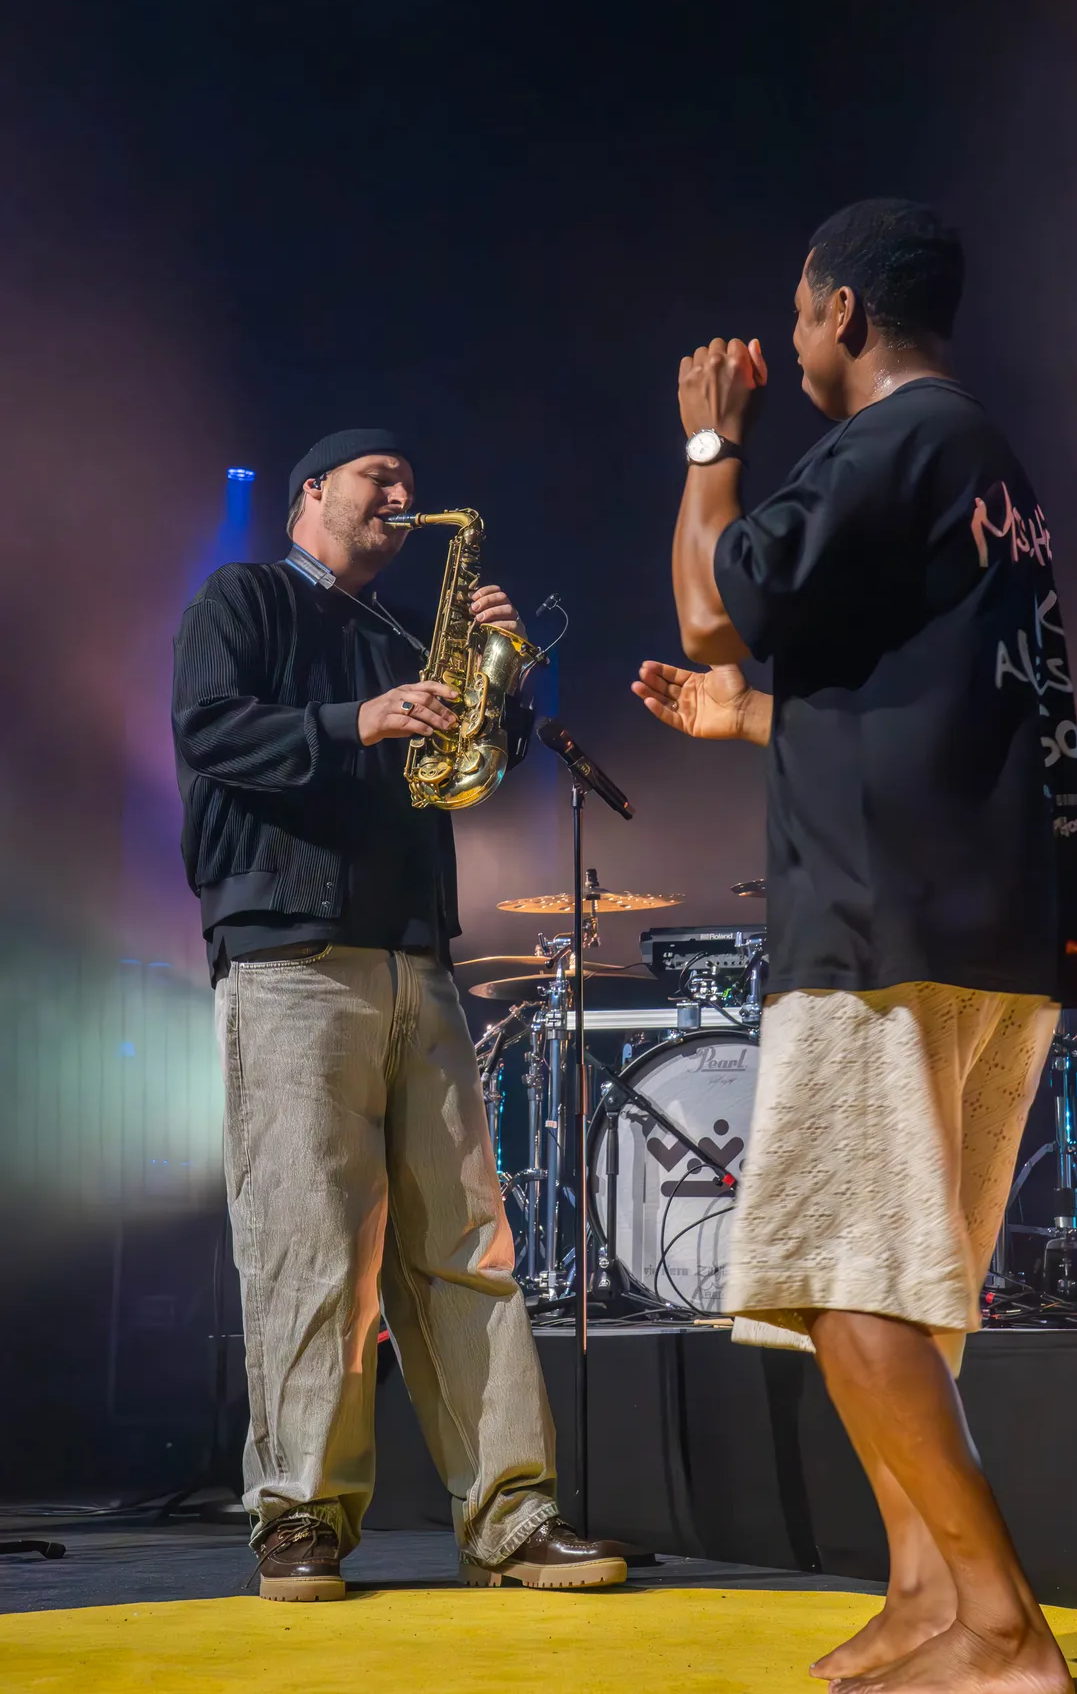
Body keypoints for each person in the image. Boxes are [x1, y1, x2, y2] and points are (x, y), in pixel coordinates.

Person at [634, 201, 1077, 1694]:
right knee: (895, 1286)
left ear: (840, 311)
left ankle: (1004, 1628)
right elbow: (929, 710)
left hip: (878, 936)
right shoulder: (985, 459)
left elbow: (711, 610)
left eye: (797, 310)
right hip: (990, 927)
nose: (788, 336)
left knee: (842, 1281)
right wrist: (755, 724)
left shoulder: (889, 442)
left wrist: (710, 443)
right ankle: (927, 1597)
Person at [173, 428, 625, 1599]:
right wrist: (356, 721)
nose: (401, 495)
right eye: (379, 478)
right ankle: (300, 1518)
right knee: (312, 1245)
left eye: (409, 484)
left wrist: (500, 683)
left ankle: (513, 1518)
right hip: (289, 954)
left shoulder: (403, 630)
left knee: (468, 1248)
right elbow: (208, 731)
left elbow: (468, 772)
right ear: (309, 494)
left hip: (414, 956)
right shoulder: (245, 598)